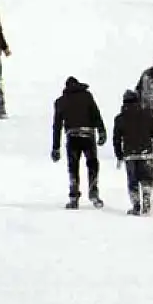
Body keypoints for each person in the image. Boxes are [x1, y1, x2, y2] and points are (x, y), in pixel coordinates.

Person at [51, 76, 107, 209]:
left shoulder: (60, 101)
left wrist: (56, 148)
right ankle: (93, 193)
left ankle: (74, 197)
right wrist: (102, 131)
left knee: (73, 167)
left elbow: (57, 126)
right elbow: (96, 114)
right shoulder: (87, 96)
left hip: (72, 136)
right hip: (88, 135)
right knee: (92, 164)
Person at [113, 89, 153, 216]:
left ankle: (136, 205)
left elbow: (116, 139)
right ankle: (146, 199)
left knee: (133, 181)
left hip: (129, 155)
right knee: (147, 179)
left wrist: (119, 155)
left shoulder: (120, 118)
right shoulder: (146, 115)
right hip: (146, 153)